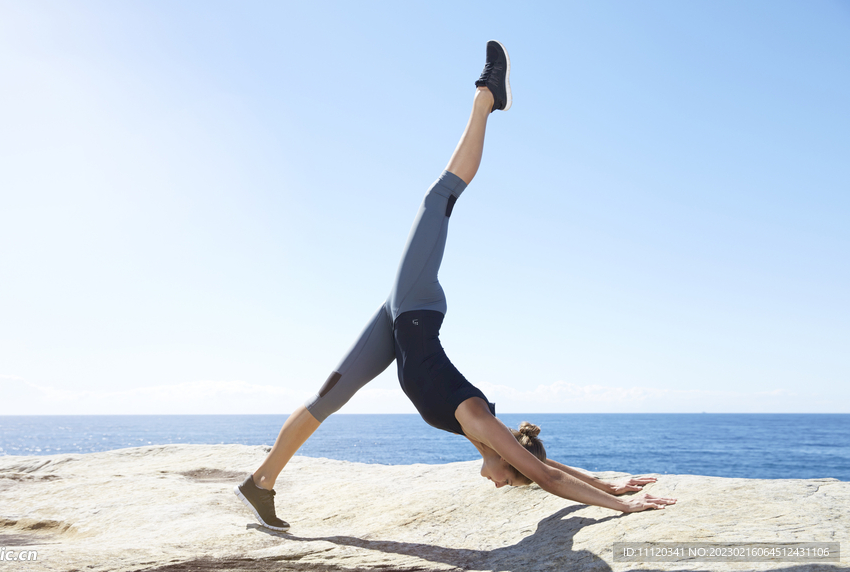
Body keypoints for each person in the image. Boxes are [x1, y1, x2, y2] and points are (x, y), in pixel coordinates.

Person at [235, 41, 676, 531]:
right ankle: (488, 95)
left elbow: (547, 468)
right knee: (440, 195)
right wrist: (624, 507)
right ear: (506, 459)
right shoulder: (481, 424)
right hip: (415, 307)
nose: (499, 483)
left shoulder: (483, 435)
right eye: (509, 478)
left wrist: (609, 485)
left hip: (399, 323)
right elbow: (546, 477)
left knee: (327, 400)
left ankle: (260, 484)